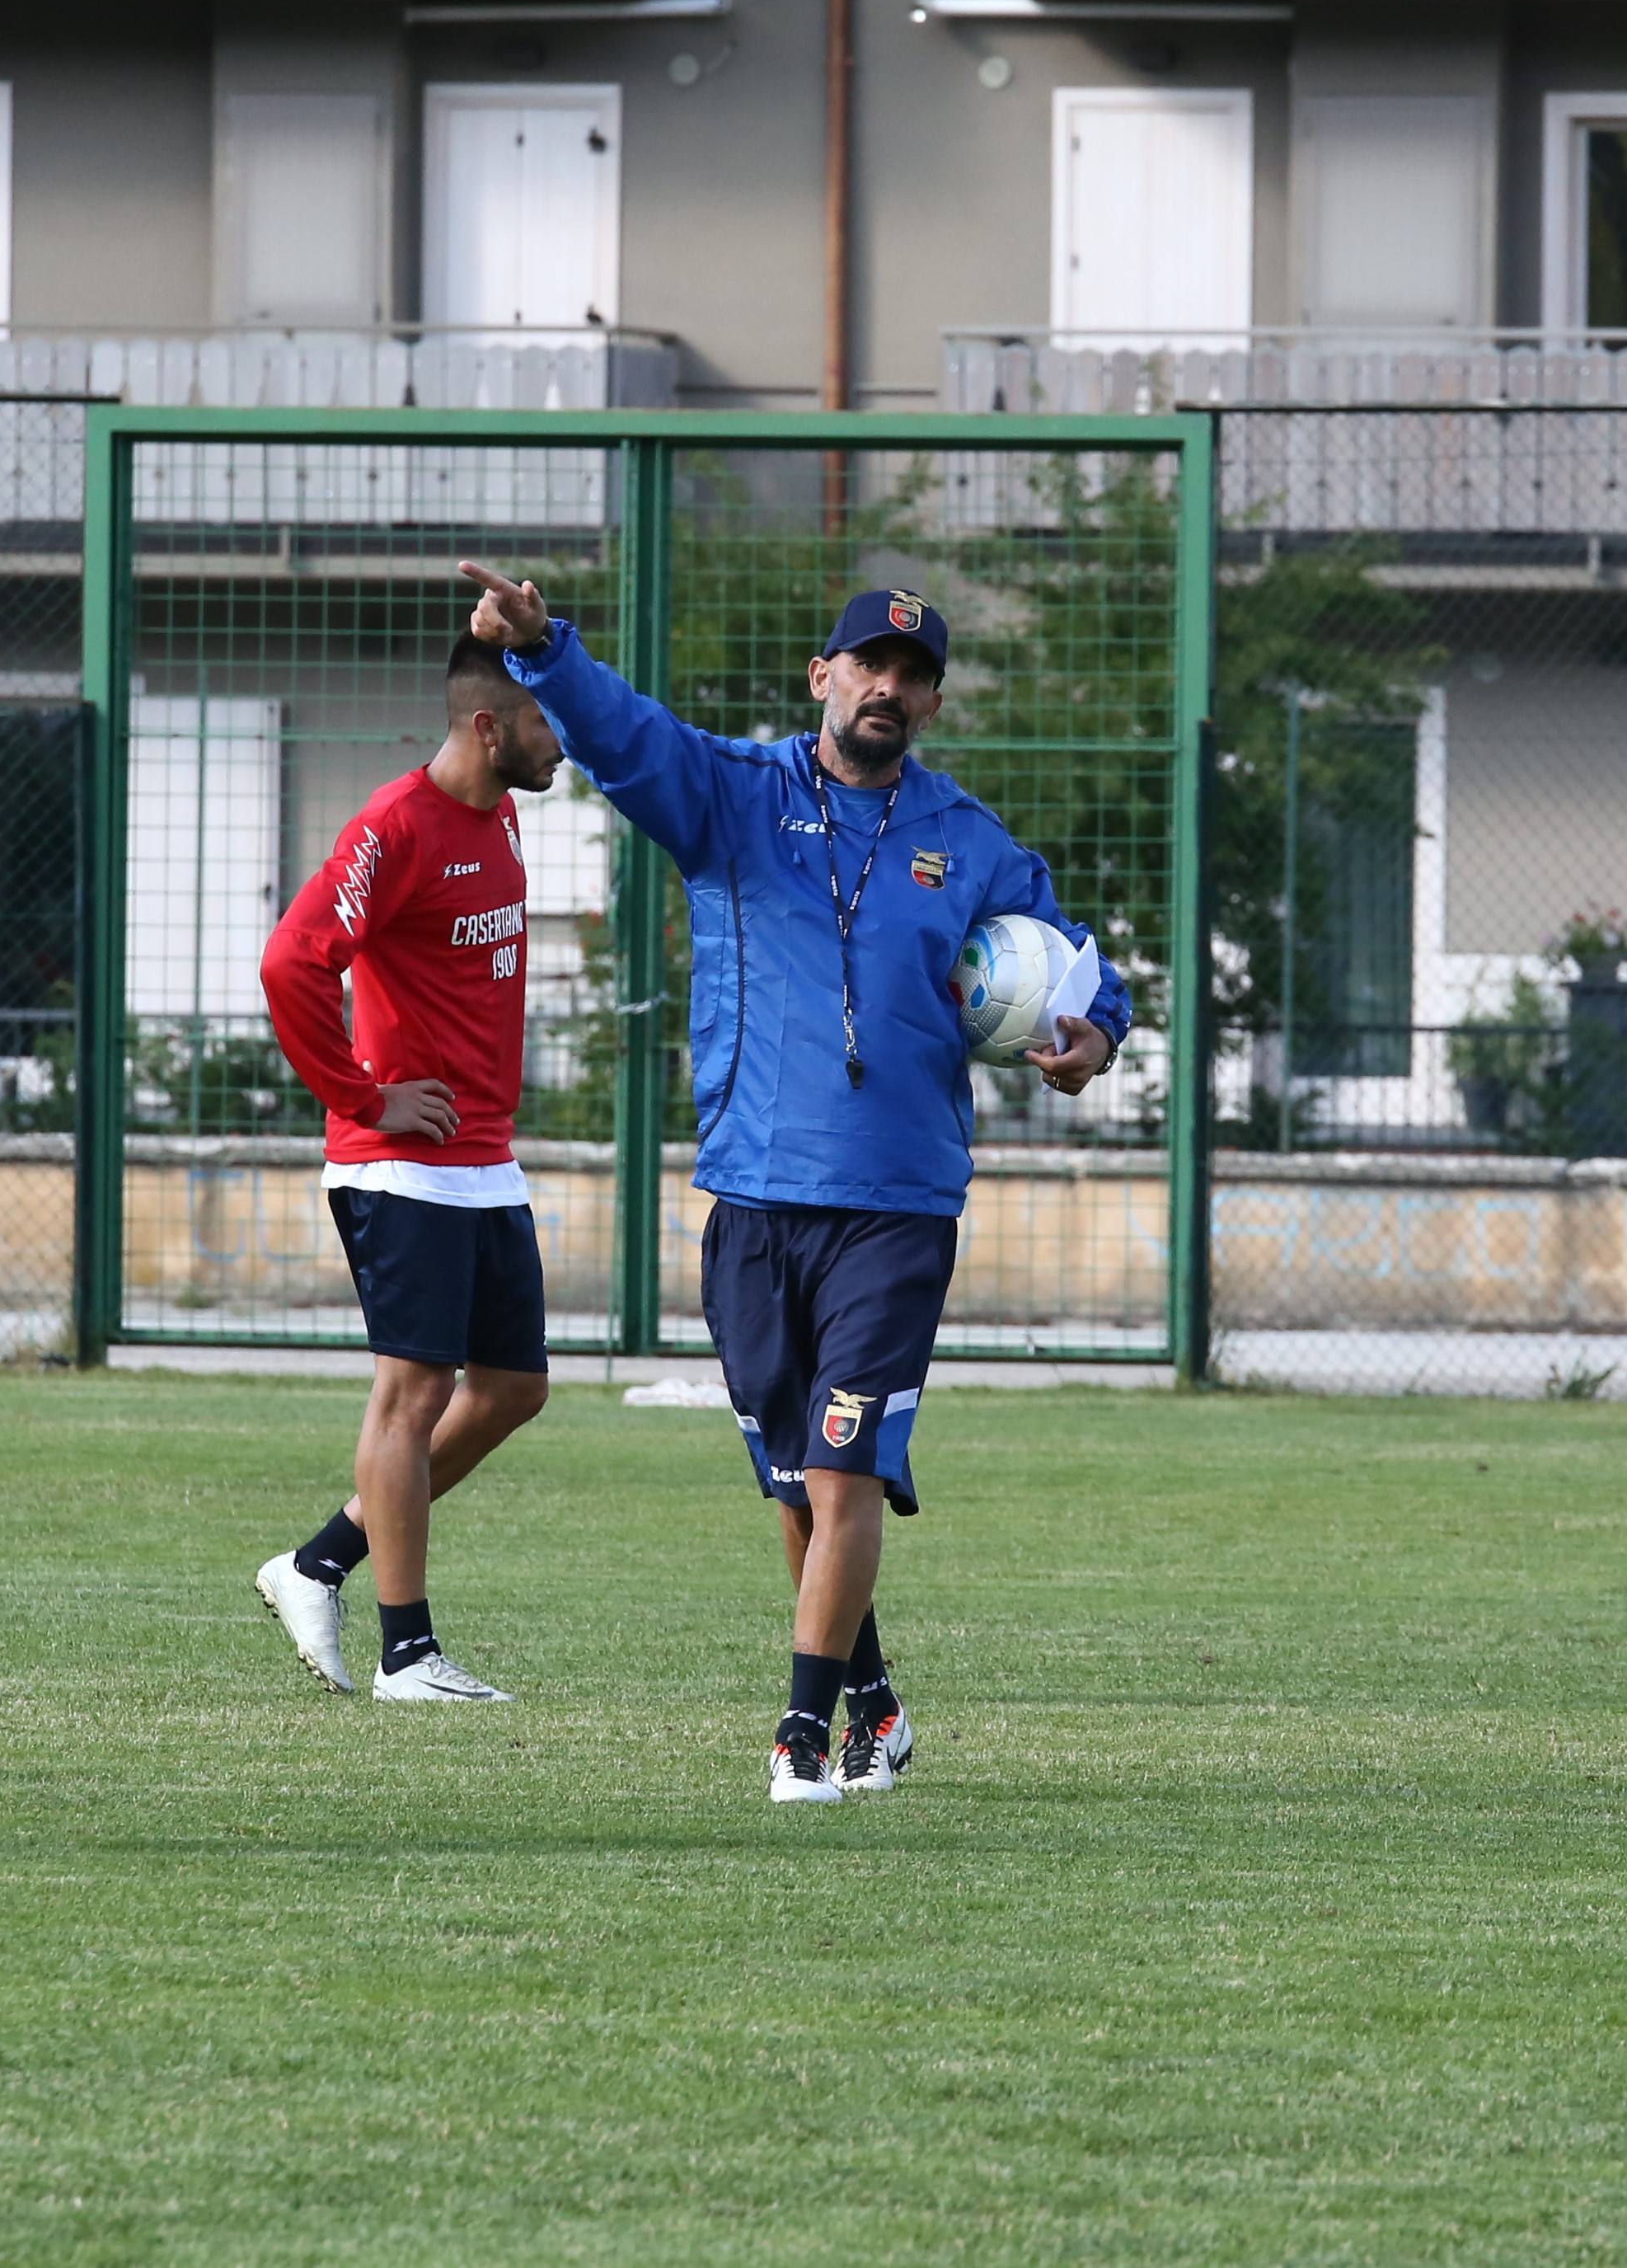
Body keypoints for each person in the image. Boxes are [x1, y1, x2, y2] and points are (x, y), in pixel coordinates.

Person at [458, 564, 1128, 1804]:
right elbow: (624, 732)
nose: (887, 686)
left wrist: (1092, 1036)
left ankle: (801, 1734)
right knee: (790, 1475)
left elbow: (1077, 969)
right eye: (868, 664)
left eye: (912, 675)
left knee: (843, 1466)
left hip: (899, 1203)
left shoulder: (965, 841)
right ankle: (871, 1698)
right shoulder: (733, 801)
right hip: (754, 1195)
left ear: (930, 705)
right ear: (823, 677)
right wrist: (545, 649)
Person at [251, 636, 566, 1702]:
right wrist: (362, 1094)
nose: (558, 740)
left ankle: (317, 1561)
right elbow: (292, 959)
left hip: (482, 1159)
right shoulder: (392, 826)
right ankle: (406, 1654)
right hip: (399, 1166)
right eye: (540, 722)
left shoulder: (502, 814)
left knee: (515, 1388)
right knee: (414, 1391)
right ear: (488, 729)